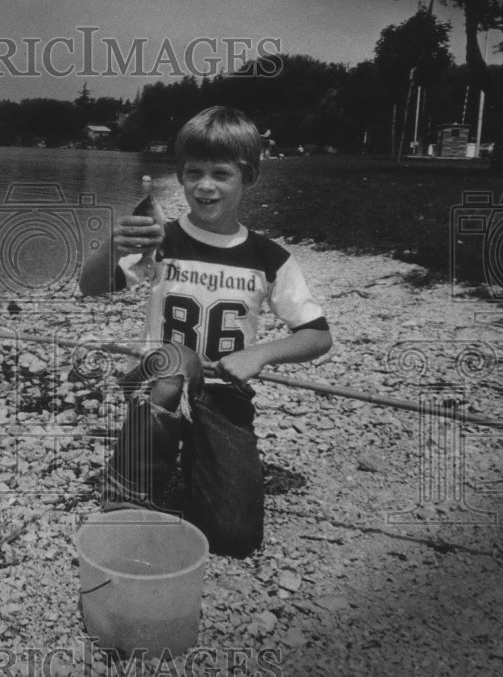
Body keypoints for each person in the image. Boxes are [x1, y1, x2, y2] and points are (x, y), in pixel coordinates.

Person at [78, 106, 332, 558]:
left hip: (221, 392)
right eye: (193, 173)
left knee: (234, 537)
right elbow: (91, 287)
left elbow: (317, 335)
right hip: (158, 380)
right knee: (176, 361)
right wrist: (112, 246)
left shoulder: (268, 257)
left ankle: (197, 453)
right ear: (179, 176)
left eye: (220, 173)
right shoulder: (162, 240)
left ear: (248, 177)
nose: (204, 186)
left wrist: (261, 354)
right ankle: (129, 487)